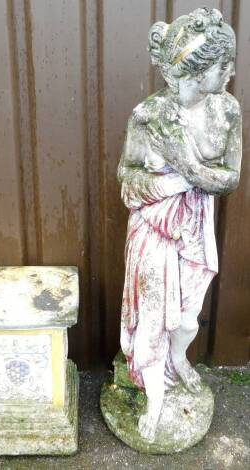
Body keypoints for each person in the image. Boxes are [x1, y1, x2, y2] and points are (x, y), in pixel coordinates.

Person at [118, 7, 242, 442]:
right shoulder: (148, 116)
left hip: (196, 226)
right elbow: (127, 177)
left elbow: (230, 177)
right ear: (196, 69)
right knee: (153, 316)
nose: (231, 72)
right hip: (154, 229)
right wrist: (169, 182)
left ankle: (181, 358)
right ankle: (153, 396)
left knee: (188, 317)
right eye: (223, 65)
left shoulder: (228, 111)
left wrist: (189, 169)